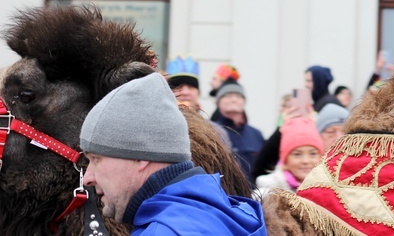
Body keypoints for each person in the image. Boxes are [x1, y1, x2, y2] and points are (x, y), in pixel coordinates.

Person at [80, 72, 267, 234]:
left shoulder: (165, 231)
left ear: (140, 156)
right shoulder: (225, 213)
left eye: (96, 159)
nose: (87, 178)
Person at [211, 79, 266, 182]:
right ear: (218, 102)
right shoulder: (210, 131)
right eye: (227, 95)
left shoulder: (256, 134)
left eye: (238, 96)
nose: (234, 100)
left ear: (244, 101)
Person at [255, 117, 323, 195]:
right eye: (297, 154)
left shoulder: (331, 192)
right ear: (285, 160)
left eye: (313, 154)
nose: (306, 161)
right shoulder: (267, 193)